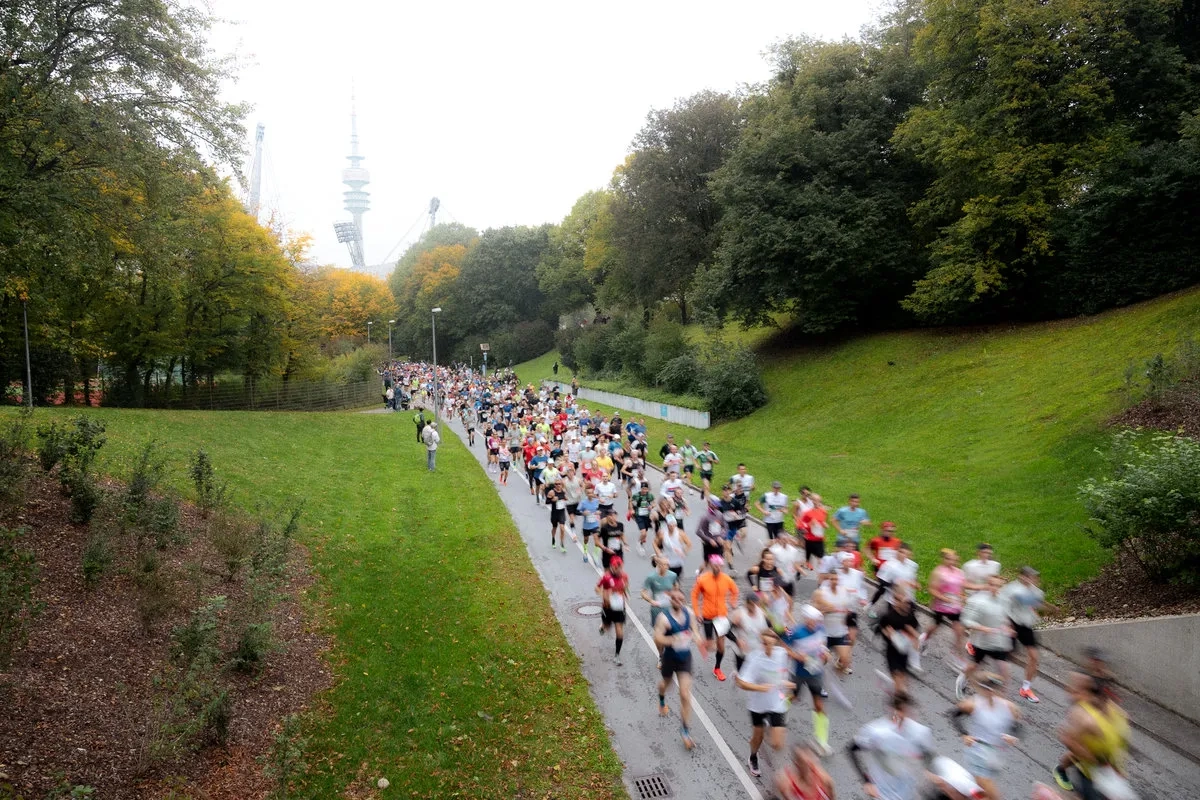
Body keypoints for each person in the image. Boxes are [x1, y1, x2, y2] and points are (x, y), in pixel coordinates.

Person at [1053, 672, 1132, 800]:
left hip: (1105, 768)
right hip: (1090, 771)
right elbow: (1067, 739)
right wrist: (1096, 761)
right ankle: (1060, 772)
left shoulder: (1118, 714)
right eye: (1106, 693)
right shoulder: (1084, 716)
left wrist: (1118, 768)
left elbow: (1120, 741)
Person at [848, 691, 936, 800]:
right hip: (881, 793)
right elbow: (851, 749)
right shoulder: (876, 732)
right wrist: (867, 782)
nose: (907, 717)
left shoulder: (921, 732)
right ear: (894, 711)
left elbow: (929, 756)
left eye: (909, 713)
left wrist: (930, 773)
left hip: (906, 793)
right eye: (902, 711)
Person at [949, 674, 1021, 800]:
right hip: (977, 751)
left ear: (1001, 690)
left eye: (994, 689)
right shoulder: (973, 704)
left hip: (996, 754)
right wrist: (964, 734)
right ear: (982, 689)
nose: (991, 692)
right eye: (987, 689)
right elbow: (954, 714)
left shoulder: (1009, 708)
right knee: (990, 791)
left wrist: (1012, 737)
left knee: (980, 792)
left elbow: (1018, 729)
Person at [736, 628, 794, 778]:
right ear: (762, 643)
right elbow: (741, 683)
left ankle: (772, 728)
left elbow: (779, 674)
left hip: (776, 703)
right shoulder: (755, 659)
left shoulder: (781, 654)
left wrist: (786, 683)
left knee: (777, 744)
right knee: (757, 737)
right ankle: (753, 757)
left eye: (771, 644)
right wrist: (760, 687)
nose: (768, 647)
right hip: (757, 704)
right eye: (765, 643)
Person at [653, 586, 705, 750]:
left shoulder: (688, 613)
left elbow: (695, 631)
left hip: (685, 658)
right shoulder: (664, 618)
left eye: (681, 599)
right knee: (665, 686)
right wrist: (673, 639)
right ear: (670, 600)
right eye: (675, 598)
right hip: (669, 658)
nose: (678, 601)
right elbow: (658, 637)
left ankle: (685, 730)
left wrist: (697, 639)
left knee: (684, 693)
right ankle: (661, 699)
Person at [782, 605, 832, 756]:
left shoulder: (821, 629)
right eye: (811, 621)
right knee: (794, 697)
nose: (814, 624)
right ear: (806, 619)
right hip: (798, 672)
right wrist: (799, 656)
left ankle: (821, 741)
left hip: (815, 672)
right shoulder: (796, 632)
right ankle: (778, 709)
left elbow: (823, 646)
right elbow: (784, 648)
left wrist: (825, 654)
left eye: (816, 621)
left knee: (819, 705)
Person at [1002, 566, 1055, 704]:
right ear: (1023, 577)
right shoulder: (1011, 589)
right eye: (1032, 576)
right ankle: (975, 671)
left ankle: (1025, 688)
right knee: (1003, 655)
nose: (1035, 579)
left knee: (1034, 656)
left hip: (1025, 626)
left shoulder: (1036, 591)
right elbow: (1002, 606)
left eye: (1035, 577)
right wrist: (1008, 624)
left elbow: (1036, 603)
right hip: (1011, 623)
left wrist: (1051, 608)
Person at [958, 576, 1014, 699]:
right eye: (993, 585)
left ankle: (1000, 698)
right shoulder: (978, 601)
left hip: (998, 641)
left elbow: (1003, 618)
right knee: (974, 666)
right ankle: (962, 679)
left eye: (999, 586)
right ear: (988, 585)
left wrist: (1008, 627)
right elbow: (966, 620)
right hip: (981, 642)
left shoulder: (1003, 601)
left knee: (1004, 670)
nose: (996, 588)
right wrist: (982, 628)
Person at [691, 554, 739, 681]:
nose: (717, 567)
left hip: (721, 615)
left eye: (719, 565)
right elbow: (694, 596)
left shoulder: (727, 579)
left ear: (722, 566)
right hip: (707, 616)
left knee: (721, 646)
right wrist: (697, 612)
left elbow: (735, 591)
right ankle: (703, 643)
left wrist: (733, 601)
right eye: (715, 565)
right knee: (710, 646)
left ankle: (717, 668)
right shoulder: (703, 579)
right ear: (711, 565)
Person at [922, 549, 968, 668]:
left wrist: (963, 596)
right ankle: (924, 639)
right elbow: (932, 589)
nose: (951, 561)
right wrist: (944, 598)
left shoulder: (959, 572)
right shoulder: (938, 572)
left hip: (955, 607)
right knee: (935, 625)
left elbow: (961, 588)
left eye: (953, 558)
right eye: (948, 558)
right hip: (940, 606)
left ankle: (956, 655)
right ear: (944, 559)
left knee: (959, 631)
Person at [878, 587, 922, 692]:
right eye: (896, 600)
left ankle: (890, 685)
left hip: (905, 652)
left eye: (905, 601)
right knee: (899, 684)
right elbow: (881, 629)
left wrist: (914, 637)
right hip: (892, 652)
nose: (906, 605)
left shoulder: (910, 616)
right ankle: (897, 701)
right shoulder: (888, 616)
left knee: (904, 681)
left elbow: (916, 631)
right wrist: (889, 634)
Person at [641, 556, 681, 665]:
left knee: (672, 633)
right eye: (665, 565)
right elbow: (643, 592)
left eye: (668, 564)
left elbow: (676, 587)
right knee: (658, 636)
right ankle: (661, 655)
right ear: (659, 565)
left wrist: (675, 597)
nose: (667, 567)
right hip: (657, 610)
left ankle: (671, 655)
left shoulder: (672, 575)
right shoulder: (651, 577)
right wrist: (651, 600)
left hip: (670, 609)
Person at [597, 556, 629, 665]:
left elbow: (625, 587)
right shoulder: (606, 577)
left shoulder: (624, 576)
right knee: (607, 627)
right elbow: (597, 588)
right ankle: (602, 626)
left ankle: (617, 655)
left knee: (619, 632)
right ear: (611, 566)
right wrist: (605, 596)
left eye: (620, 567)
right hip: (608, 608)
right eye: (616, 567)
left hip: (620, 608)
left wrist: (625, 594)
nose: (618, 569)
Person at [578, 485, 601, 565]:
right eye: (588, 493)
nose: (590, 494)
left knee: (597, 539)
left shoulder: (596, 501)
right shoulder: (583, 502)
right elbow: (577, 511)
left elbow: (600, 509)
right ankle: (585, 552)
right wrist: (583, 513)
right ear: (586, 494)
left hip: (595, 524)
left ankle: (595, 554)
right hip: (586, 526)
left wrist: (599, 512)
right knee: (586, 539)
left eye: (591, 493)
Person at [545, 478, 570, 553]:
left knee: (562, 528)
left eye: (559, 484)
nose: (558, 485)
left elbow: (566, 499)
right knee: (554, 527)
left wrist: (566, 499)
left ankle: (562, 544)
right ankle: (553, 538)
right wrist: (552, 500)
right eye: (556, 484)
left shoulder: (564, 491)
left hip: (561, 512)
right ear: (554, 485)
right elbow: (547, 501)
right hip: (554, 513)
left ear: (561, 484)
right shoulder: (552, 492)